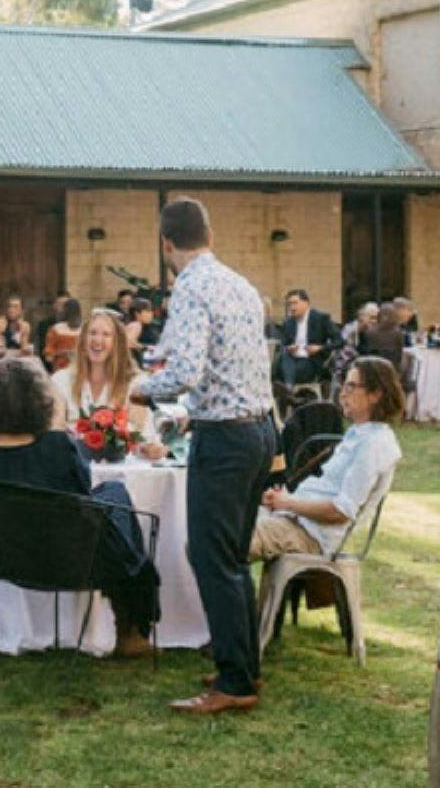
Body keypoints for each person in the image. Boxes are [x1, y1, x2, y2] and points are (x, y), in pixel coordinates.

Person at [134, 198, 278, 716]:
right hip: (261, 431)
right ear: (210, 234)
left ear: (166, 243)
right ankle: (244, 664)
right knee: (232, 557)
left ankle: (235, 680)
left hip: (225, 439)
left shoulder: (191, 289)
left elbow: (185, 372)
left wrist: (142, 389)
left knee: (212, 557)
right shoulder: (238, 283)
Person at [0, 358, 161, 658]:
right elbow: (82, 492)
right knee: (116, 497)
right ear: (38, 401)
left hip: (14, 556)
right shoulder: (56, 446)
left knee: (112, 496)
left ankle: (131, 619)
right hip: (74, 557)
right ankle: (131, 627)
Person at [252, 357, 404, 559]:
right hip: (294, 521)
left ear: (375, 395)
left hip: (310, 535)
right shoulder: (360, 434)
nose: (342, 393)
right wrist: (283, 500)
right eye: (344, 385)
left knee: (226, 540)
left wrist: (287, 502)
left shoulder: (374, 444)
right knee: (221, 524)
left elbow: (340, 512)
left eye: (351, 387)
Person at [51, 308, 161, 444]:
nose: (97, 340)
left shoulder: (137, 383)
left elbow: (142, 433)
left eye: (106, 335)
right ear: (83, 341)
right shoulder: (60, 380)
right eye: (92, 333)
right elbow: (55, 429)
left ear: (118, 344)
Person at [274, 288, 340, 388]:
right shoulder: (288, 323)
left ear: (306, 303)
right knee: (284, 356)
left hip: (311, 362)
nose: (292, 307)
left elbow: (339, 341)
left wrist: (319, 348)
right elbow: (284, 345)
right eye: (289, 304)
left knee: (280, 371)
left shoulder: (321, 318)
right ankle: (289, 388)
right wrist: (289, 348)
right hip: (291, 361)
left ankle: (287, 389)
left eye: (295, 303)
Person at [41, 296, 83, 372]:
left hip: (79, 370)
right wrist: (62, 353)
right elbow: (48, 356)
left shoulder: (85, 330)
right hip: (61, 370)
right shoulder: (56, 329)